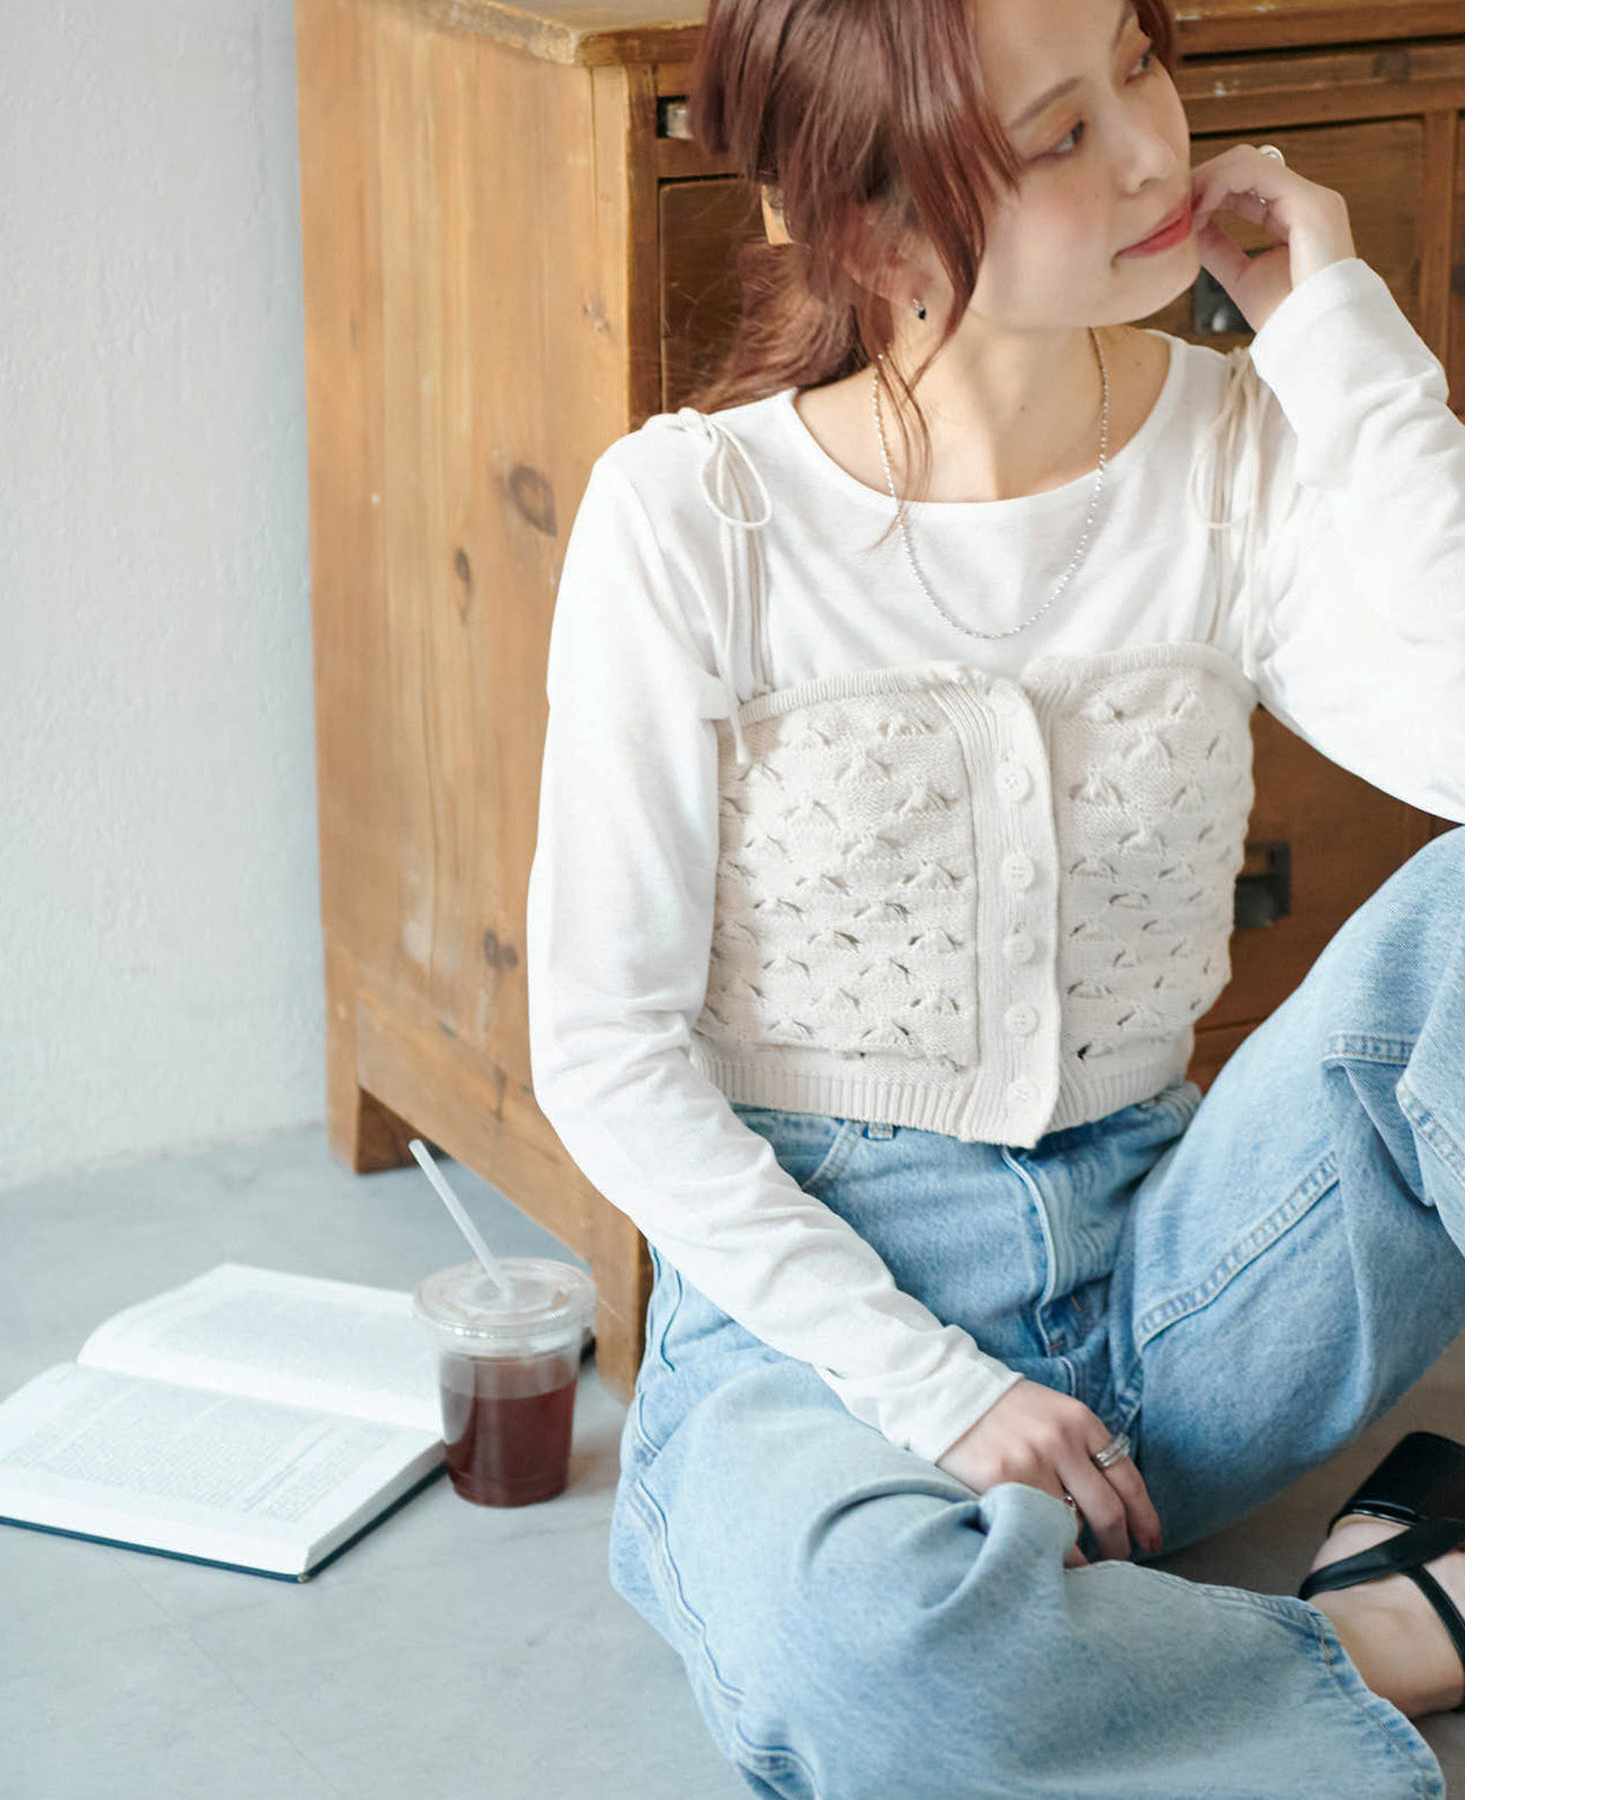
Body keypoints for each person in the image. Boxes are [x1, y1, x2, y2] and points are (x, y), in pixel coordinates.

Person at [525, 0, 1464, 1793]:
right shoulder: (690, 518)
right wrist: (937, 1389)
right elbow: (603, 1051)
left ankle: (1133, 1664)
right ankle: (1408, 1630)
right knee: (869, 1659)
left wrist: (1342, 342)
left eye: (1141, 61)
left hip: (1194, 1278)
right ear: (880, 233)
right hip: (825, 1332)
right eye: (1060, 135)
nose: (1155, 149)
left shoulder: (1234, 448)